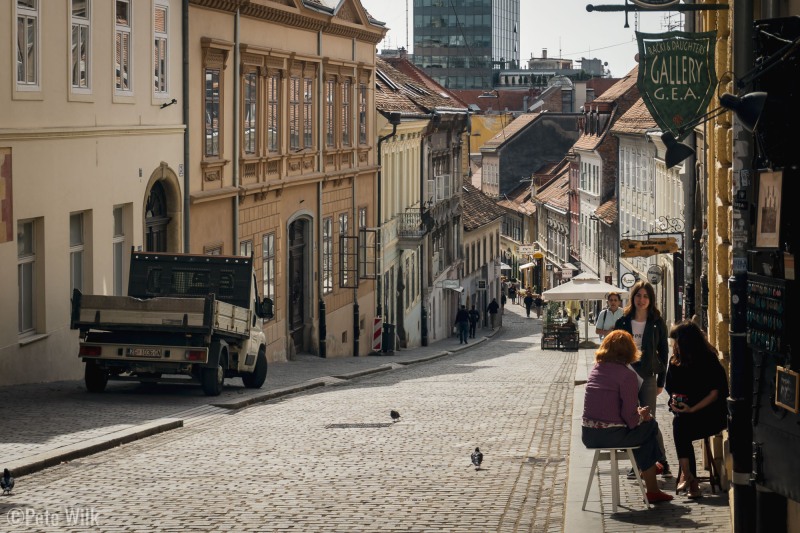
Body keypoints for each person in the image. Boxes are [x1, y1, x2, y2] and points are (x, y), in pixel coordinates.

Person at [581, 330, 674, 504]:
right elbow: (630, 419)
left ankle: (651, 469)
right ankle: (652, 482)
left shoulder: (596, 370)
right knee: (650, 426)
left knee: (644, 434)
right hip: (612, 435)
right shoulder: (627, 376)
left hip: (589, 435)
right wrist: (642, 415)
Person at [614, 280, 673, 480]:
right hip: (626, 375)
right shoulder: (623, 320)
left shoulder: (656, 320)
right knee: (632, 419)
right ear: (633, 298)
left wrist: (661, 381)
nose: (642, 300)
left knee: (649, 420)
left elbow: (664, 353)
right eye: (638, 296)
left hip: (647, 375)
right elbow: (615, 348)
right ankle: (639, 463)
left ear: (651, 299)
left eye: (646, 296)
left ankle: (660, 461)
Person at [665, 320, 729, 499]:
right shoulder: (675, 361)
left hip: (711, 415)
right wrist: (674, 403)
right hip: (686, 416)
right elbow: (671, 390)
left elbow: (715, 393)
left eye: (677, 340)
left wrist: (692, 409)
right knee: (680, 424)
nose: (674, 344)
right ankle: (690, 480)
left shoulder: (708, 359)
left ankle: (690, 480)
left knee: (681, 426)